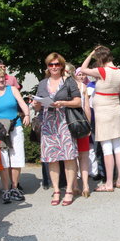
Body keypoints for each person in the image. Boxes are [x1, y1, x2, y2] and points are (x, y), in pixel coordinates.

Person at [32, 53, 81, 206]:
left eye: (56, 64)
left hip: (64, 122)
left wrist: (63, 103)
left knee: (68, 156)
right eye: (51, 65)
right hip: (48, 123)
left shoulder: (68, 82)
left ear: (61, 65)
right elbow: (38, 103)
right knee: (52, 158)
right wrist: (36, 105)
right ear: (47, 67)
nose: (54, 67)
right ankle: (56, 190)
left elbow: (78, 101)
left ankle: (69, 191)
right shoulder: (42, 83)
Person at [80, 46, 120, 192]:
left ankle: (109, 183)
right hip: (115, 109)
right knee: (117, 146)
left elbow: (82, 69)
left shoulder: (102, 71)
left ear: (100, 58)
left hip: (103, 111)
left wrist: (90, 53)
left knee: (107, 148)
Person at [0, 66, 30, 204]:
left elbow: (22, 103)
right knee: (3, 160)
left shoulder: (12, 89)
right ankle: (5, 189)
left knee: (17, 157)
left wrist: (27, 114)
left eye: (2, 77)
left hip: (15, 125)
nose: (1, 80)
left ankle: (14, 187)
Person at [73, 67, 92, 197]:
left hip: (73, 124)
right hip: (79, 123)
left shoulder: (81, 87)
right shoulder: (82, 87)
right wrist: (88, 124)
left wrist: (88, 125)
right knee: (80, 156)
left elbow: (87, 108)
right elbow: (86, 108)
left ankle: (80, 185)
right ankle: (82, 185)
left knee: (77, 156)